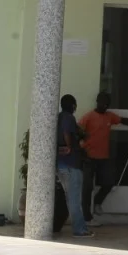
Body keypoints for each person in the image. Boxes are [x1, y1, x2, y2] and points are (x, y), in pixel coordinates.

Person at [79, 92, 128, 225]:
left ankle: (97, 202)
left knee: (109, 182)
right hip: (89, 158)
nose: (105, 106)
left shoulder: (109, 116)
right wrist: (81, 151)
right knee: (87, 188)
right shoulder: (88, 117)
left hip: (103, 158)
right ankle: (87, 218)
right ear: (97, 102)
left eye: (107, 104)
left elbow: (124, 120)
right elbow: (77, 132)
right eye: (103, 103)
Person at [55, 94, 91, 238]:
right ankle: (79, 229)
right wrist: (70, 146)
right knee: (75, 198)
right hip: (71, 165)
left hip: (61, 165)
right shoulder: (68, 118)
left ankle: (79, 227)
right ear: (73, 106)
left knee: (70, 198)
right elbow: (66, 132)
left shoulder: (58, 117)